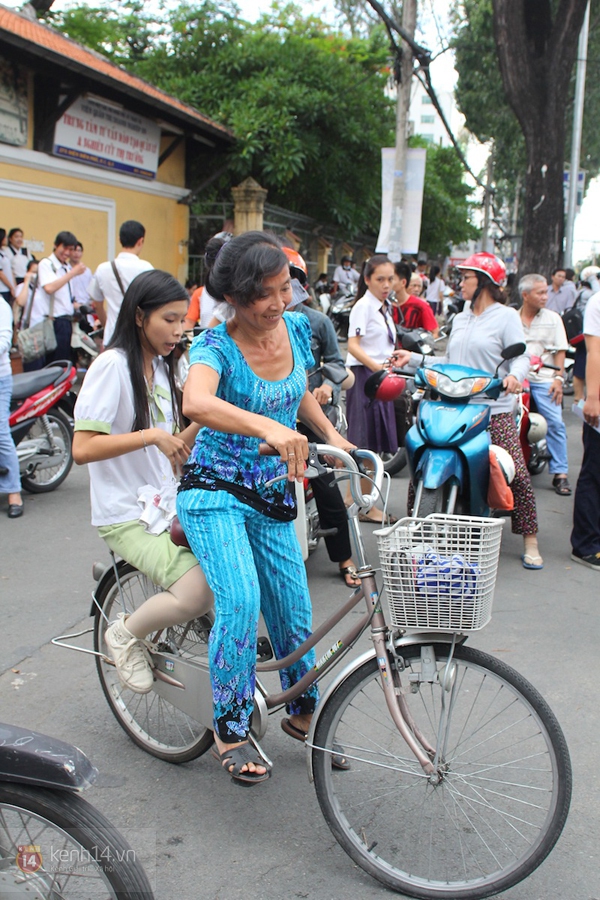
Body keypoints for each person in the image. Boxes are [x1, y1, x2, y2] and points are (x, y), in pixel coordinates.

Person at [176, 231, 353, 784]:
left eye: (285, 289)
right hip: (214, 490)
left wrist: (330, 434)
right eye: (264, 295)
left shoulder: (296, 328)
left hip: (274, 488)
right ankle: (229, 728)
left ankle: (303, 712)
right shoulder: (214, 346)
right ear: (233, 297)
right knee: (241, 598)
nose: (278, 304)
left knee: (293, 608)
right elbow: (196, 402)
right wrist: (268, 428)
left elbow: (297, 387)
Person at [72, 269, 213, 694]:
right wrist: (150, 435)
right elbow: (82, 448)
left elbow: (172, 448)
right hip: (127, 514)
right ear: (138, 317)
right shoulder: (112, 366)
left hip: (167, 500)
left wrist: (208, 424)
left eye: (182, 319)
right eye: (168, 319)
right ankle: (124, 634)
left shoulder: (169, 367)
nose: (178, 329)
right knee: (196, 594)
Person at [395, 251, 543, 570]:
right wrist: (414, 359)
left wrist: (515, 378)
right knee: (423, 455)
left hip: (492, 406)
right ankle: (415, 528)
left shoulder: (505, 316)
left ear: (485, 282)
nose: (459, 283)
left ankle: (530, 537)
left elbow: (521, 358)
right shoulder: (460, 316)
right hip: (451, 404)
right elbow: (449, 362)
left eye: (466, 277)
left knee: (513, 470)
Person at [284, 246, 360, 588]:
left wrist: (327, 384)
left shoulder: (315, 322)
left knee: (327, 487)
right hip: (270, 424)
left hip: (310, 420)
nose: (281, 294)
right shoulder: (249, 328)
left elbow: (337, 364)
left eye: (288, 284)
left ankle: (345, 558)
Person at [345, 254, 398, 524]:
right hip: (367, 377)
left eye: (390, 279)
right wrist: (377, 367)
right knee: (363, 442)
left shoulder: (384, 307)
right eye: (380, 279)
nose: (386, 284)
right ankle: (358, 502)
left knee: (373, 444)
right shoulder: (364, 306)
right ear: (367, 279)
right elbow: (353, 345)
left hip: (381, 377)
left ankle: (361, 502)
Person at [518, 274, 570, 495]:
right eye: (540, 292)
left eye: (546, 292)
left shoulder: (553, 318)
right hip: (517, 378)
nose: (545, 297)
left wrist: (558, 380)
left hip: (545, 379)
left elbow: (561, 351)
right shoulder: (511, 317)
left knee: (556, 422)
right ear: (525, 295)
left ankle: (560, 473)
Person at [571, 288, 600, 570]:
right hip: (599, 403)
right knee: (594, 472)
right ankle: (586, 544)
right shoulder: (597, 302)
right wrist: (592, 398)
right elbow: (594, 351)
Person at [88, 220, 153, 345]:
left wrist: (108, 325)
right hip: (137, 337)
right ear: (140, 241)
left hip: (112, 336)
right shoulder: (146, 268)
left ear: (119, 239)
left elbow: (97, 305)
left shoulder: (103, 269)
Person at [29, 230, 85, 364]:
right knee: (54, 364)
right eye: (64, 248)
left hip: (66, 321)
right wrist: (72, 273)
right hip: (53, 322)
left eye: (70, 249)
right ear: (55, 245)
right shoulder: (47, 264)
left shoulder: (65, 267)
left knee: (63, 363)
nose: (67, 253)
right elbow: (49, 288)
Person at [0, 297, 23, 517]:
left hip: (1, 378)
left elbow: (5, 341)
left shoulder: (2, 306)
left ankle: (13, 491)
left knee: (0, 432)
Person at [391, 261, 439, 336]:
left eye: (391, 279)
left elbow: (434, 332)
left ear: (403, 282)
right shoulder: (384, 304)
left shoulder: (421, 306)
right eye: (414, 285)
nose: (386, 284)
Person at [69, 242, 92, 306]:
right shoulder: (66, 270)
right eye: (74, 250)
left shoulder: (87, 271)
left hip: (85, 305)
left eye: (79, 251)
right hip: (70, 305)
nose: (76, 253)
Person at [0, 230, 17, 306]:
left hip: (8, 288)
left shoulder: (3, 252)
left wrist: (13, 286)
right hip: (2, 289)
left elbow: (9, 270)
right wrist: (11, 287)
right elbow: (1, 274)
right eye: (5, 237)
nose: (6, 239)